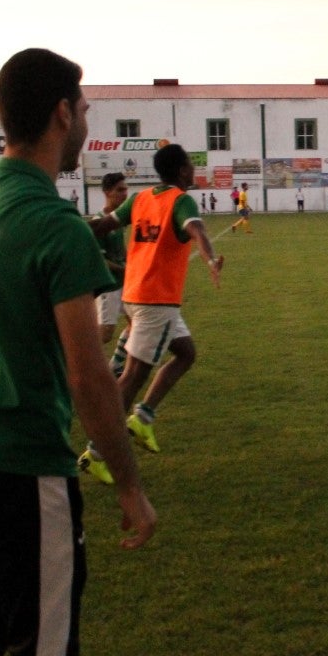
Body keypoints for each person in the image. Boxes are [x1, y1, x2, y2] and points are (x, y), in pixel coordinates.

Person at [0, 48, 156, 656]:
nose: (85, 122)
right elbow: (89, 377)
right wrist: (130, 485)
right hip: (21, 468)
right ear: (61, 114)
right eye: (84, 110)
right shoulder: (57, 227)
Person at [80, 144, 224, 482]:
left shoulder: (140, 198)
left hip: (136, 294)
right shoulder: (180, 200)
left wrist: (70, 229)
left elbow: (102, 225)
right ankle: (95, 453)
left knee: (186, 353)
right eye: (190, 165)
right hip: (155, 300)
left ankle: (143, 418)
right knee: (132, 377)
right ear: (182, 170)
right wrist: (210, 259)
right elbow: (197, 230)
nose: (193, 170)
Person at [95, 172, 129, 347]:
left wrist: (132, 263)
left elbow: (121, 249)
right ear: (107, 192)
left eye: (125, 189)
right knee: (105, 334)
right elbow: (99, 261)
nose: (125, 194)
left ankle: (116, 362)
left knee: (137, 324)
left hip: (124, 284)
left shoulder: (117, 219)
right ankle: (78, 358)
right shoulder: (99, 222)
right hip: (108, 286)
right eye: (120, 190)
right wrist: (125, 269)